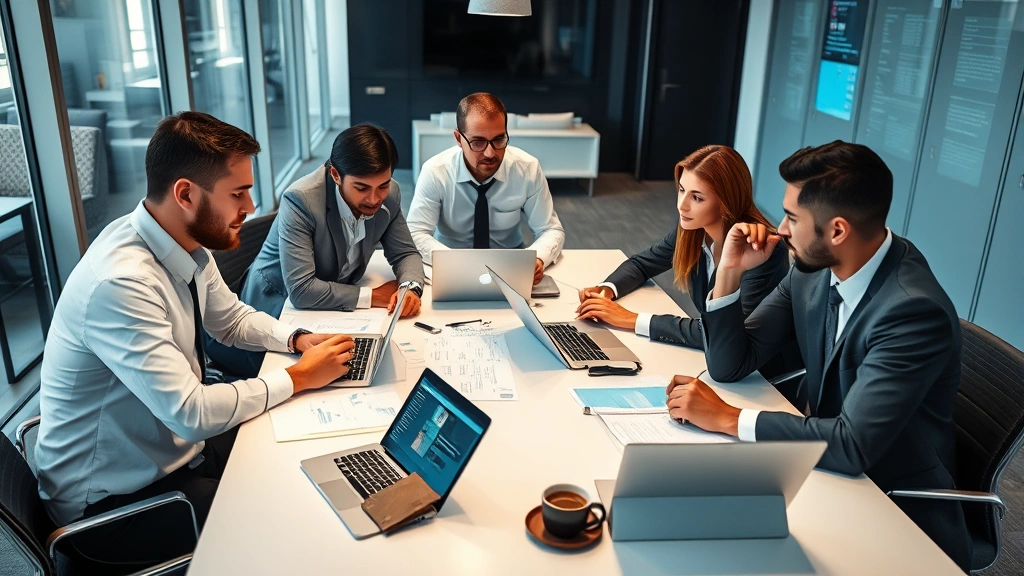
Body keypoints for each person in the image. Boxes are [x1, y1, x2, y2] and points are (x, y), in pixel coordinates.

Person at [35, 112, 355, 570]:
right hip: (110, 509)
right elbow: (191, 412)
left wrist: (298, 338)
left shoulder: (179, 241)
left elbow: (230, 320)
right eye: (238, 193)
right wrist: (298, 378)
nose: (250, 204)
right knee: (287, 524)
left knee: (294, 464)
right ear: (185, 193)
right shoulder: (122, 283)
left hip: (167, 456)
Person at [663, 141, 971, 569]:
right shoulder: (816, 271)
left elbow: (851, 446)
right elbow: (729, 364)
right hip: (818, 469)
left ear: (838, 230)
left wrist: (729, 418)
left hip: (891, 506)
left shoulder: (911, 312)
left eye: (791, 217)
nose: (780, 229)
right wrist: (730, 271)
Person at [213, 124, 425, 377]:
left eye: (383, 185)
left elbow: (405, 253)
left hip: (330, 302)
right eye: (361, 188)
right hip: (276, 307)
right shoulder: (301, 200)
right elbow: (302, 291)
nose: (374, 199)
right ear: (335, 174)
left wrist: (409, 288)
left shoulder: (389, 194)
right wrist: (373, 296)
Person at [575, 145, 796, 379]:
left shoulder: (761, 251)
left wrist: (631, 319)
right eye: (682, 190)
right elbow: (642, 264)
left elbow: (723, 335)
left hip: (761, 379)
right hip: (715, 363)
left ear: (726, 201)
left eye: (697, 197)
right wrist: (605, 291)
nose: (682, 205)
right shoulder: (693, 230)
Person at [406, 92, 565, 285]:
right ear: (458, 138)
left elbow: (550, 229)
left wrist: (537, 259)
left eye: (499, 140)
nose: (490, 153)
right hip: (451, 265)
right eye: (478, 142)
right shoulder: (435, 172)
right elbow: (415, 232)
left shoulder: (527, 169)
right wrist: (456, 263)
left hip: (511, 267)